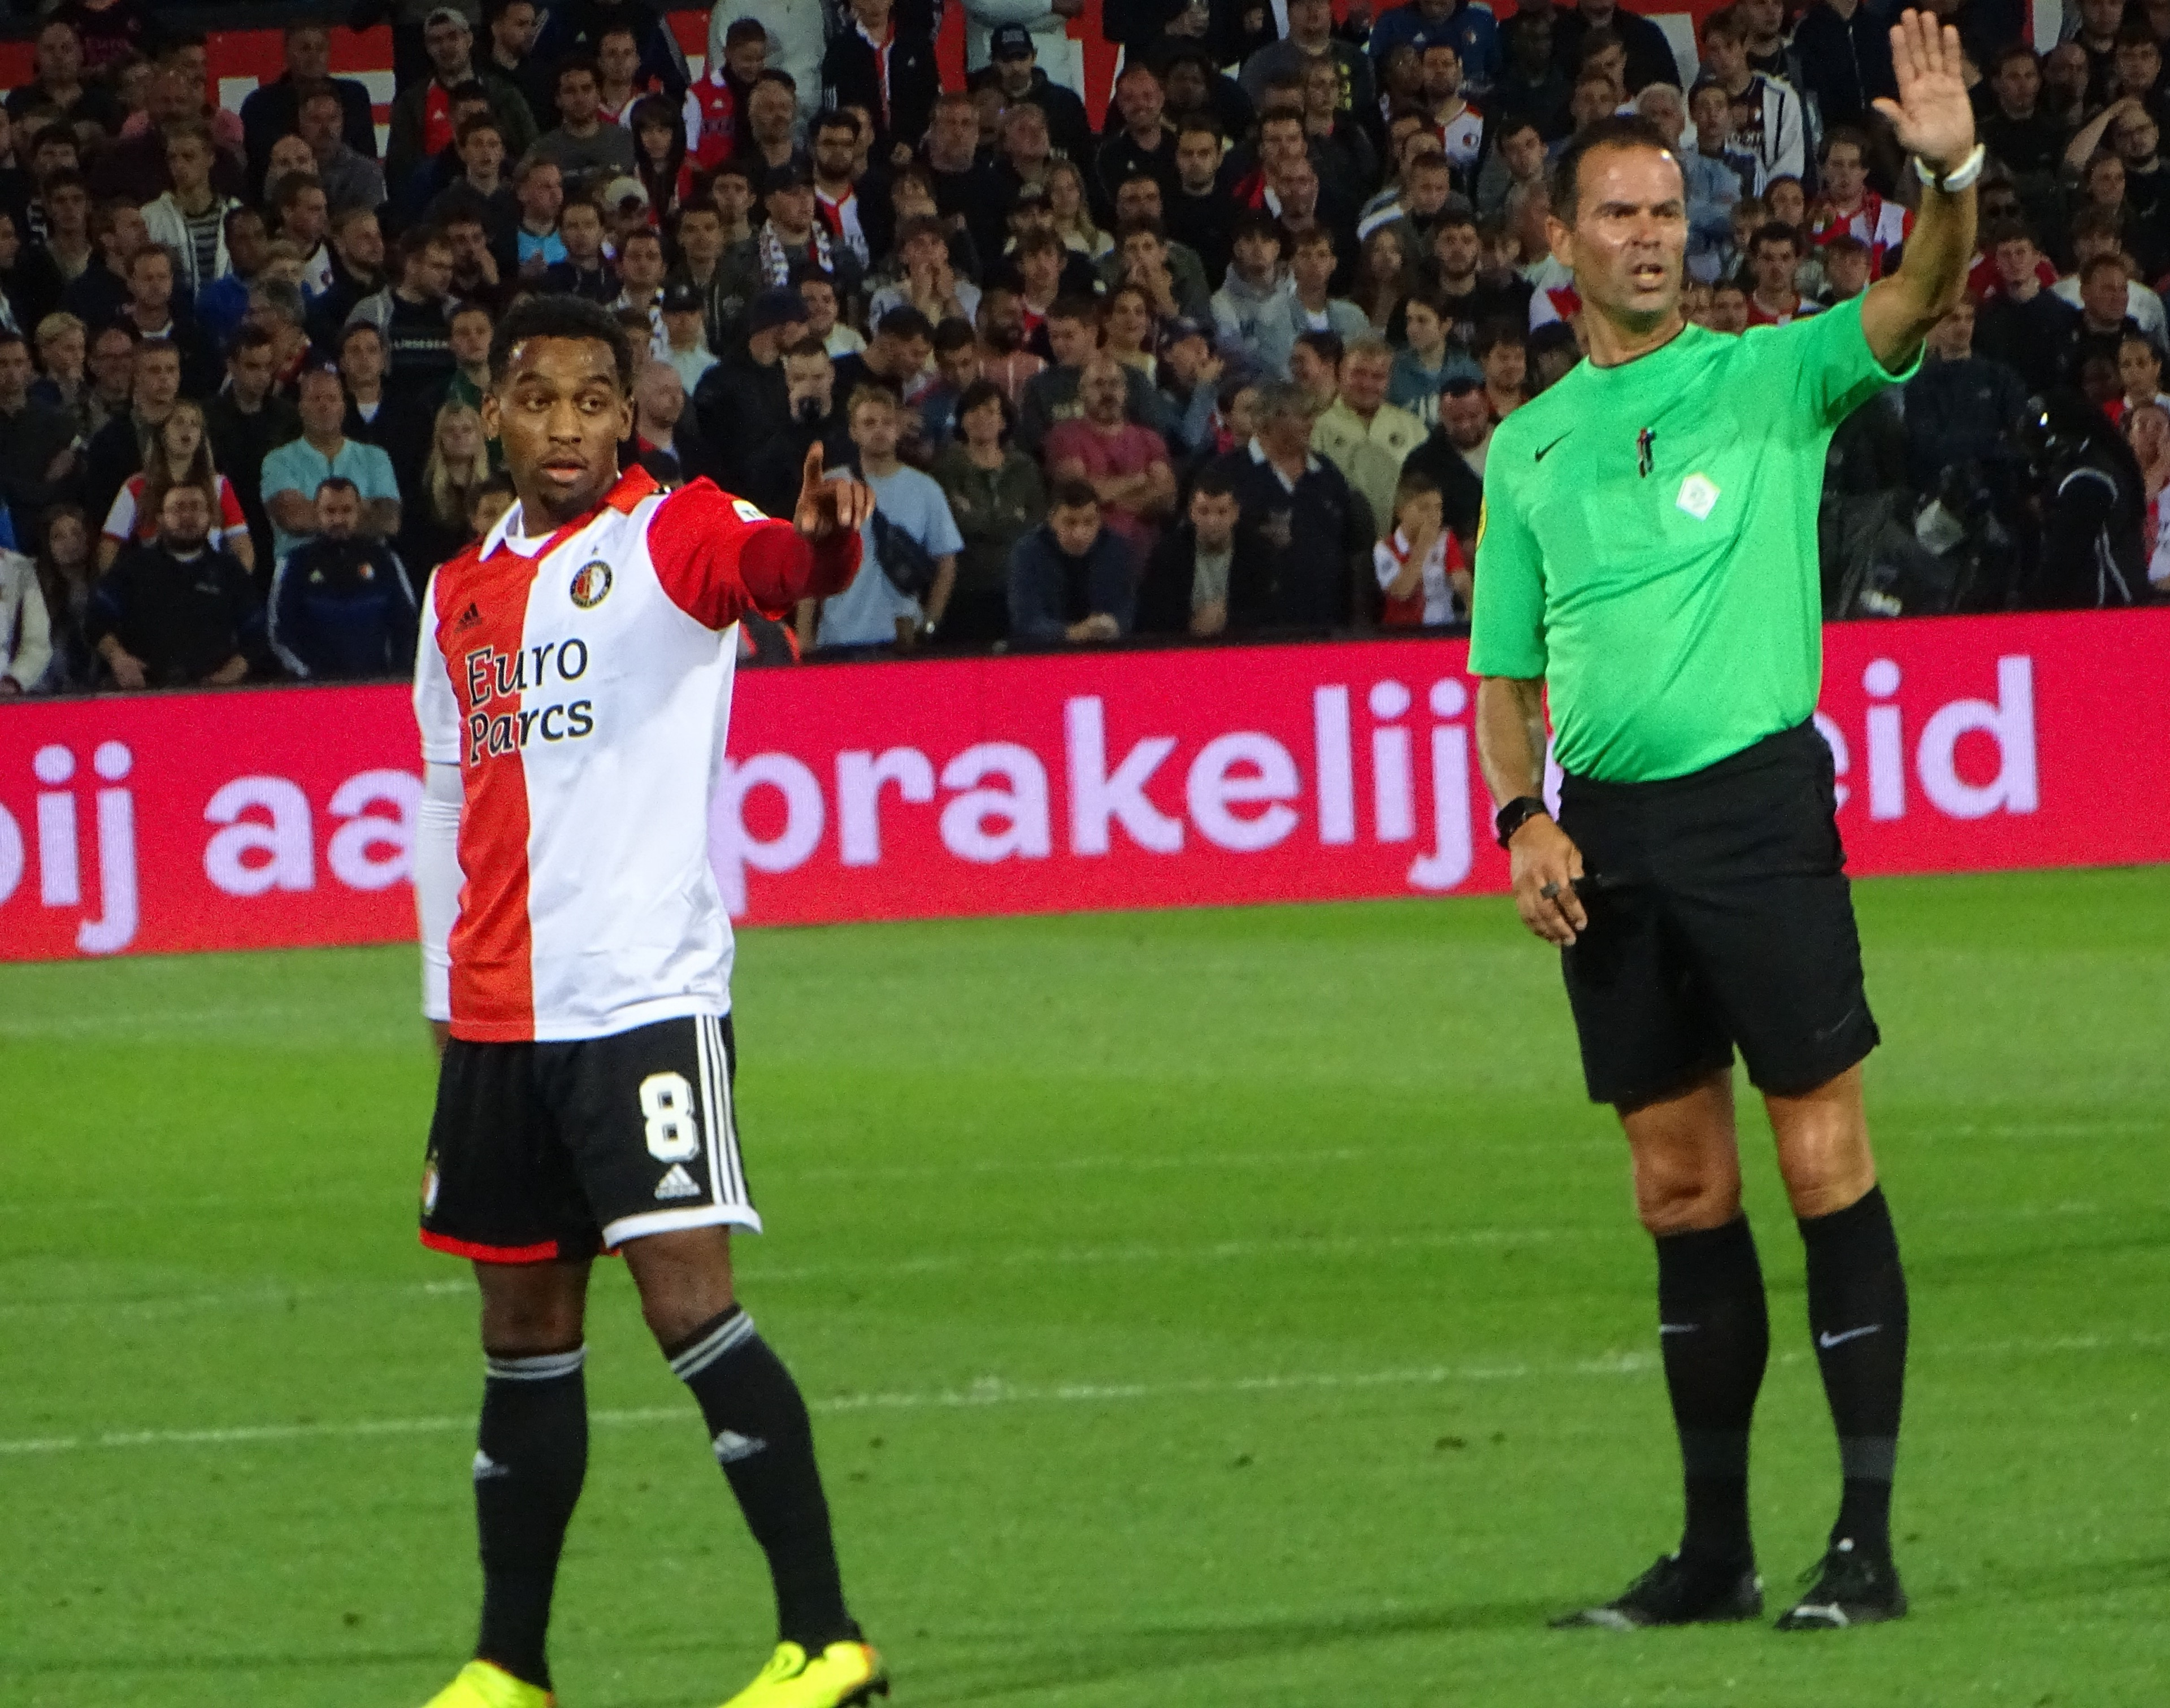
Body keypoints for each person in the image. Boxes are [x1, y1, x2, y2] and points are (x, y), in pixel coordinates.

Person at [1469, 14, 1980, 1632]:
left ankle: (1869, 1543)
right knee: (1680, 1190)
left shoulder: (1770, 373)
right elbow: (1503, 672)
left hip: (1758, 813)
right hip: (1605, 836)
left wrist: (1952, 172)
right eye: (1616, 211)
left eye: (1667, 210)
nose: (1648, 234)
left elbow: (1919, 291)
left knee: (1823, 1157)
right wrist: (1517, 819)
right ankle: (1713, 1552)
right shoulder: (1525, 450)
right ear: (1559, 239)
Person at [406, 293, 880, 1708]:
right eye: (538, 399)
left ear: (628, 414)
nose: (565, 426)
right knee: (523, 1333)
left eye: (592, 401)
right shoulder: (458, 592)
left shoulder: (670, 534)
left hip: (638, 1002)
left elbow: (780, 566)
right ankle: (509, 1662)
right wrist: (441, 986)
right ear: (493, 410)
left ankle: (826, 1638)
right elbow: (443, 791)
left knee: (689, 1305)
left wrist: (832, 537)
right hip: (498, 1018)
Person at [801, 385, 961, 650]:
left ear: (898, 430)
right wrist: (805, 637)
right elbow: (808, 564)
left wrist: (930, 624)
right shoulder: (829, 486)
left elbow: (947, 563)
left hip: (901, 640)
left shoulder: (925, 489)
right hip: (839, 637)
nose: (879, 430)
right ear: (853, 432)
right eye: (869, 423)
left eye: (888, 423)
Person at [87, 483, 261, 689]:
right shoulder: (132, 568)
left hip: (214, 694)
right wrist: (119, 659)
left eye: (196, 507)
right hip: (144, 693)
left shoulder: (230, 572)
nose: (187, 516)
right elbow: (95, 620)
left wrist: (231, 673)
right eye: (178, 508)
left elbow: (256, 631)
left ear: (211, 518)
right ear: (160, 520)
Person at [268, 475, 420, 680]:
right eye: (330, 511)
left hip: (378, 688)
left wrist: (396, 676)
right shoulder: (294, 564)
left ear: (360, 511)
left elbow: (407, 624)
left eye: (346, 511)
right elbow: (280, 633)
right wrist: (309, 676)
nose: (338, 519)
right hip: (315, 692)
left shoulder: (386, 561)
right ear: (316, 512)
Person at [931, 377, 1045, 644]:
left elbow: (1035, 527)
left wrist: (976, 517)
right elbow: (955, 528)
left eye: (991, 411)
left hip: (1018, 587)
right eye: (973, 411)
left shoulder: (1025, 469)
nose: (982, 418)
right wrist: (1010, 518)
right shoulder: (946, 470)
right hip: (965, 589)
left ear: (1004, 421)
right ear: (961, 420)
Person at [1043, 357, 1178, 566]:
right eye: (1098, 384)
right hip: (1087, 559)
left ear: (1125, 392)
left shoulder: (1150, 439)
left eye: (1115, 384)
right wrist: (1139, 480)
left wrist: (1107, 494)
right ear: (1082, 393)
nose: (1108, 392)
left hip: (1145, 559)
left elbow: (1167, 499)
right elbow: (1079, 493)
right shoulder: (1064, 436)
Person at [262, 364, 402, 564]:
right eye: (316, 399)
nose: (324, 406)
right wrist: (362, 509)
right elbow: (294, 519)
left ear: (344, 407)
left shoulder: (375, 457)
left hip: (367, 568)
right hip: (301, 570)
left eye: (332, 399)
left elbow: (388, 521)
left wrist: (314, 510)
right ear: (301, 408)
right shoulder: (278, 461)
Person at [97, 397, 253, 576]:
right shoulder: (137, 486)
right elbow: (109, 546)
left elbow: (243, 547)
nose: (187, 429)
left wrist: (234, 589)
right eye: (178, 422)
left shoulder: (219, 485)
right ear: (162, 435)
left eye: (195, 424)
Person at [1006, 480, 1136, 645]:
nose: (1079, 534)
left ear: (1100, 521)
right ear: (1052, 520)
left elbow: (1126, 610)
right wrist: (1073, 633)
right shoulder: (1027, 552)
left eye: (1089, 522)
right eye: (1070, 522)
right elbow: (1027, 621)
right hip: (1045, 653)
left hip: (1105, 649)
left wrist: (1112, 625)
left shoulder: (1115, 549)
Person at [1135, 462, 1251, 637]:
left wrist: (1229, 618)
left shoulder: (1256, 554)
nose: (1213, 522)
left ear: (1235, 513)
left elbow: (1266, 613)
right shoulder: (1168, 554)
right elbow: (1153, 617)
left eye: (1222, 512)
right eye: (1204, 512)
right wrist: (1192, 626)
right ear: (1191, 513)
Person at [1373, 467, 1469, 626]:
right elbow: (1401, 592)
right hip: (1403, 634)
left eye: (1438, 508)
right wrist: (1423, 546)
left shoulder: (1445, 539)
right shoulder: (1384, 549)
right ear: (1402, 511)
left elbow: (1460, 578)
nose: (1434, 516)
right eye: (1424, 508)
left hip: (1444, 629)